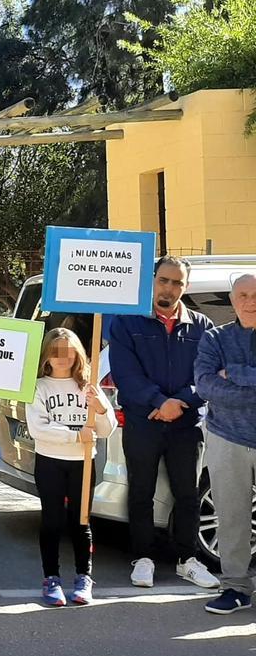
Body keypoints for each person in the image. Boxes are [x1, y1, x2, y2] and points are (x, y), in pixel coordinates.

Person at [109, 256, 219, 590]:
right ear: (153, 280)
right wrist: (159, 402)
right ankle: (142, 559)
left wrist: (181, 401)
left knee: (187, 494)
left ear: (184, 287)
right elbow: (126, 376)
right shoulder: (127, 324)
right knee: (140, 491)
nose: (169, 288)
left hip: (187, 425)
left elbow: (208, 376)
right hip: (144, 422)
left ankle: (188, 561)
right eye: (164, 280)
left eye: (177, 283)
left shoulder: (202, 327)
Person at [26, 328, 117, 608]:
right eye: (56, 352)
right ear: (47, 356)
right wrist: (75, 435)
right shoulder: (39, 386)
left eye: (68, 351)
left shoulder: (88, 386)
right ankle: (51, 578)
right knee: (52, 521)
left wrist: (101, 409)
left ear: (77, 353)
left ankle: (84, 577)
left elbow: (107, 429)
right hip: (50, 460)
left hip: (82, 462)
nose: (62, 357)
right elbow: (37, 429)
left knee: (81, 523)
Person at [195, 272, 256, 615]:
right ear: (232, 302)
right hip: (226, 438)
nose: (250, 302)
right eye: (243, 295)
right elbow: (205, 386)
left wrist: (233, 374)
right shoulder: (214, 339)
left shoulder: (223, 355)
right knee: (232, 517)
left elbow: (222, 383)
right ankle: (235, 589)